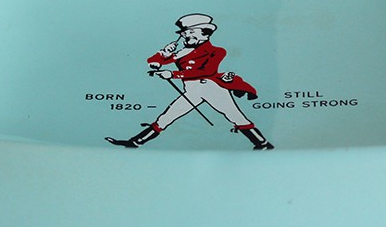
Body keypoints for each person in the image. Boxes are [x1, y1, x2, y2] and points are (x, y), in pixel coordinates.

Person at [105, 13, 274, 150]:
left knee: (235, 116)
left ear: (205, 33)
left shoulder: (217, 51)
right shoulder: (182, 52)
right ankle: (134, 143)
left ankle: (262, 143)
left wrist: (173, 74)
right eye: (185, 33)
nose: (186, 35)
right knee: (167, 117)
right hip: (192, 90)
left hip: (211, 88)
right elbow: (153, 62)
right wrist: (163, 53)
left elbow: (206, 71)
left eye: (191, 32)